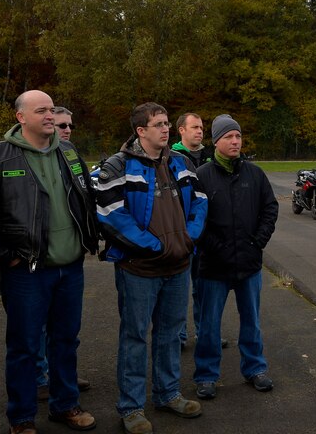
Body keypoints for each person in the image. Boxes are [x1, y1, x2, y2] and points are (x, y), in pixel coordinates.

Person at [0, 90, 99, 434]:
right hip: (26, 274)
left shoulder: (68, 153)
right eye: (41, 110)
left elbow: (85, 198)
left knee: (66, 340)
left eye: (52, 109)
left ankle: (65, 405)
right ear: (21, 117)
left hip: (70, 268)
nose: (50, 116)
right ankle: (21, 418)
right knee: (24, 347)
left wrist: (87, 239)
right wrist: (5, 255)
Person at [96, 102, 208, 434]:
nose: (165, 129)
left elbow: (200, 202)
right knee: (134, 337)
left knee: (170, 334)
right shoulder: (117, 166)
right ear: (140, 131)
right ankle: (131, 408)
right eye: (158, 124)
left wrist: (189, 239)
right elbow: (111, 213)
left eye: (167, 124)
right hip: (139, 270)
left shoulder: (181, 162)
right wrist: (154, 246)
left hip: (178, 266)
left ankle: (168, 394)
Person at [193, 114, 279, 400]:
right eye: (229, 136)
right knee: (209, 325)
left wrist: (258, 242)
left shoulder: (254, 175)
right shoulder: (202, 177)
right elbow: (195, 220)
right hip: (213, 266)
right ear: (216, 141)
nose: (235, 141)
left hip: (249, 264)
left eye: (238, 136)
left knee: (251, 321)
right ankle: (206, 375)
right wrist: (217, 248)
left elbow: (270, 208)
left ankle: (255, 369)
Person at [35, 106, 91, 402]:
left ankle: (61, 376)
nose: (67, 129)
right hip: (35, 262)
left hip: (70, 259)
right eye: (60, 124)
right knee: (37, 327)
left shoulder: (70, 156)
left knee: (66, 329)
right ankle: (39, 378)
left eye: (70, 125)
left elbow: (85, 197)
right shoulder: (21, 157)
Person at [170, 113, 214, 349]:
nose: (199, 131)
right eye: (194, 127)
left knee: (204, 288)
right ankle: (178, 335)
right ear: (181, 130)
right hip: (181, 233)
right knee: (177, 291)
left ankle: (204, 332)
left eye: (201, 127)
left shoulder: (211, 156)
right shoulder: (171, 157)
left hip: (207, 234)